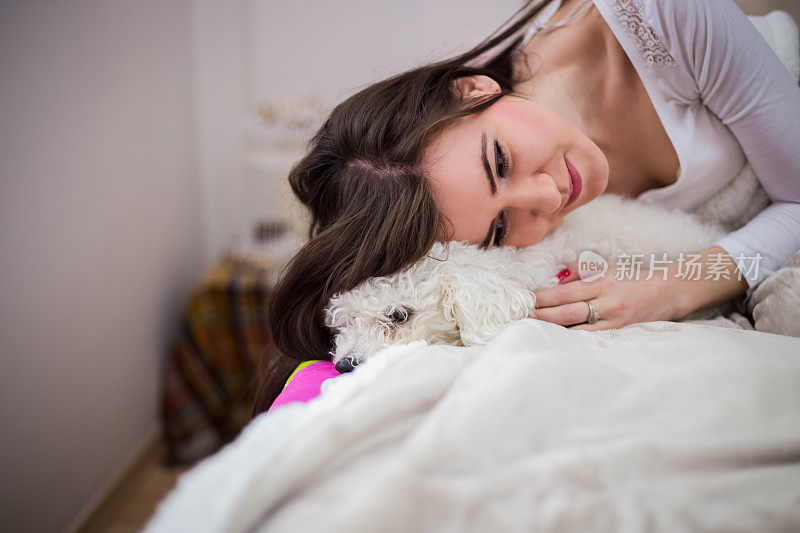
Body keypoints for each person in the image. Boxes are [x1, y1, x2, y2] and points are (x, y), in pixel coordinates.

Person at [252, 0, 800, 414]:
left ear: (471, 90)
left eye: (500, 161)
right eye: (498, 228)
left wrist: (672, 287)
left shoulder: (666, 18)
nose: (547, 200)